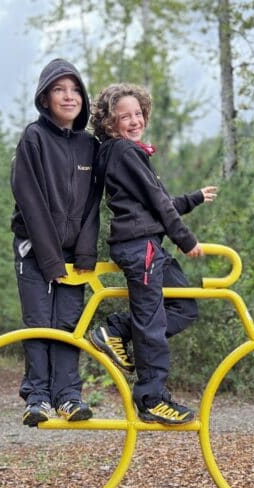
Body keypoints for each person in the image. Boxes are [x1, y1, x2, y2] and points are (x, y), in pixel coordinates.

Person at [87, 83, 218, 425]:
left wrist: (194, 198)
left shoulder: (128, 154)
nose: (134, 120)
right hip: (139, 246)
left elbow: (158, 203)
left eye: (138, 113)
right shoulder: (123, 152)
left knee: (184, 307)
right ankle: (151, 398)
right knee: (152, 321)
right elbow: (159, 204)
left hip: (149, 245)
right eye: (124, 116)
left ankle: (116, 331)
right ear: (109, 123)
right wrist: (187, 240)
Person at [10, 58, 101, 426]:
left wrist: (84, 253)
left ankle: (68, 396)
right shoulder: (34, 138)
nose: (69, 96)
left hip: (72, 253)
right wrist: (49, 261)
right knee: (38, 321)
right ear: (45, 98)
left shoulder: (89, 145)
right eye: (59, 90)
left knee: (68, 323)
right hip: (35, 250)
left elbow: (95, 204)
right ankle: (37, 397)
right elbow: (29, 201)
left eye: (75, 89)